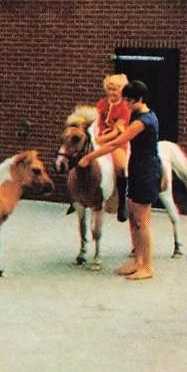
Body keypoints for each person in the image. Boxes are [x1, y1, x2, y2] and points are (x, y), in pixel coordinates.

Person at [79, 80, 160, 281]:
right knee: (133, 218)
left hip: (146, 171)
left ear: (139, 99)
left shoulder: (144, 121)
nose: (126, 104)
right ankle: (137, 260)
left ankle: (147, 266)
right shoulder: (137, 114)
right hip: (137, 167)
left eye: (129, 100)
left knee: (142, 221)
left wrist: (90, 157)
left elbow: (118, 142)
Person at [95, 73, 132, 222]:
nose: (112, 92)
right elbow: (96, 121)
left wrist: (100, 140)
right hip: (99, 138)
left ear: (121, 90)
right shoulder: (102, 103)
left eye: (115, 89)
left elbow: (118, 130)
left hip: (117, 141)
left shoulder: (125, 106)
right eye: (110, 89)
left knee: (121, 167)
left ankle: (122, 202)